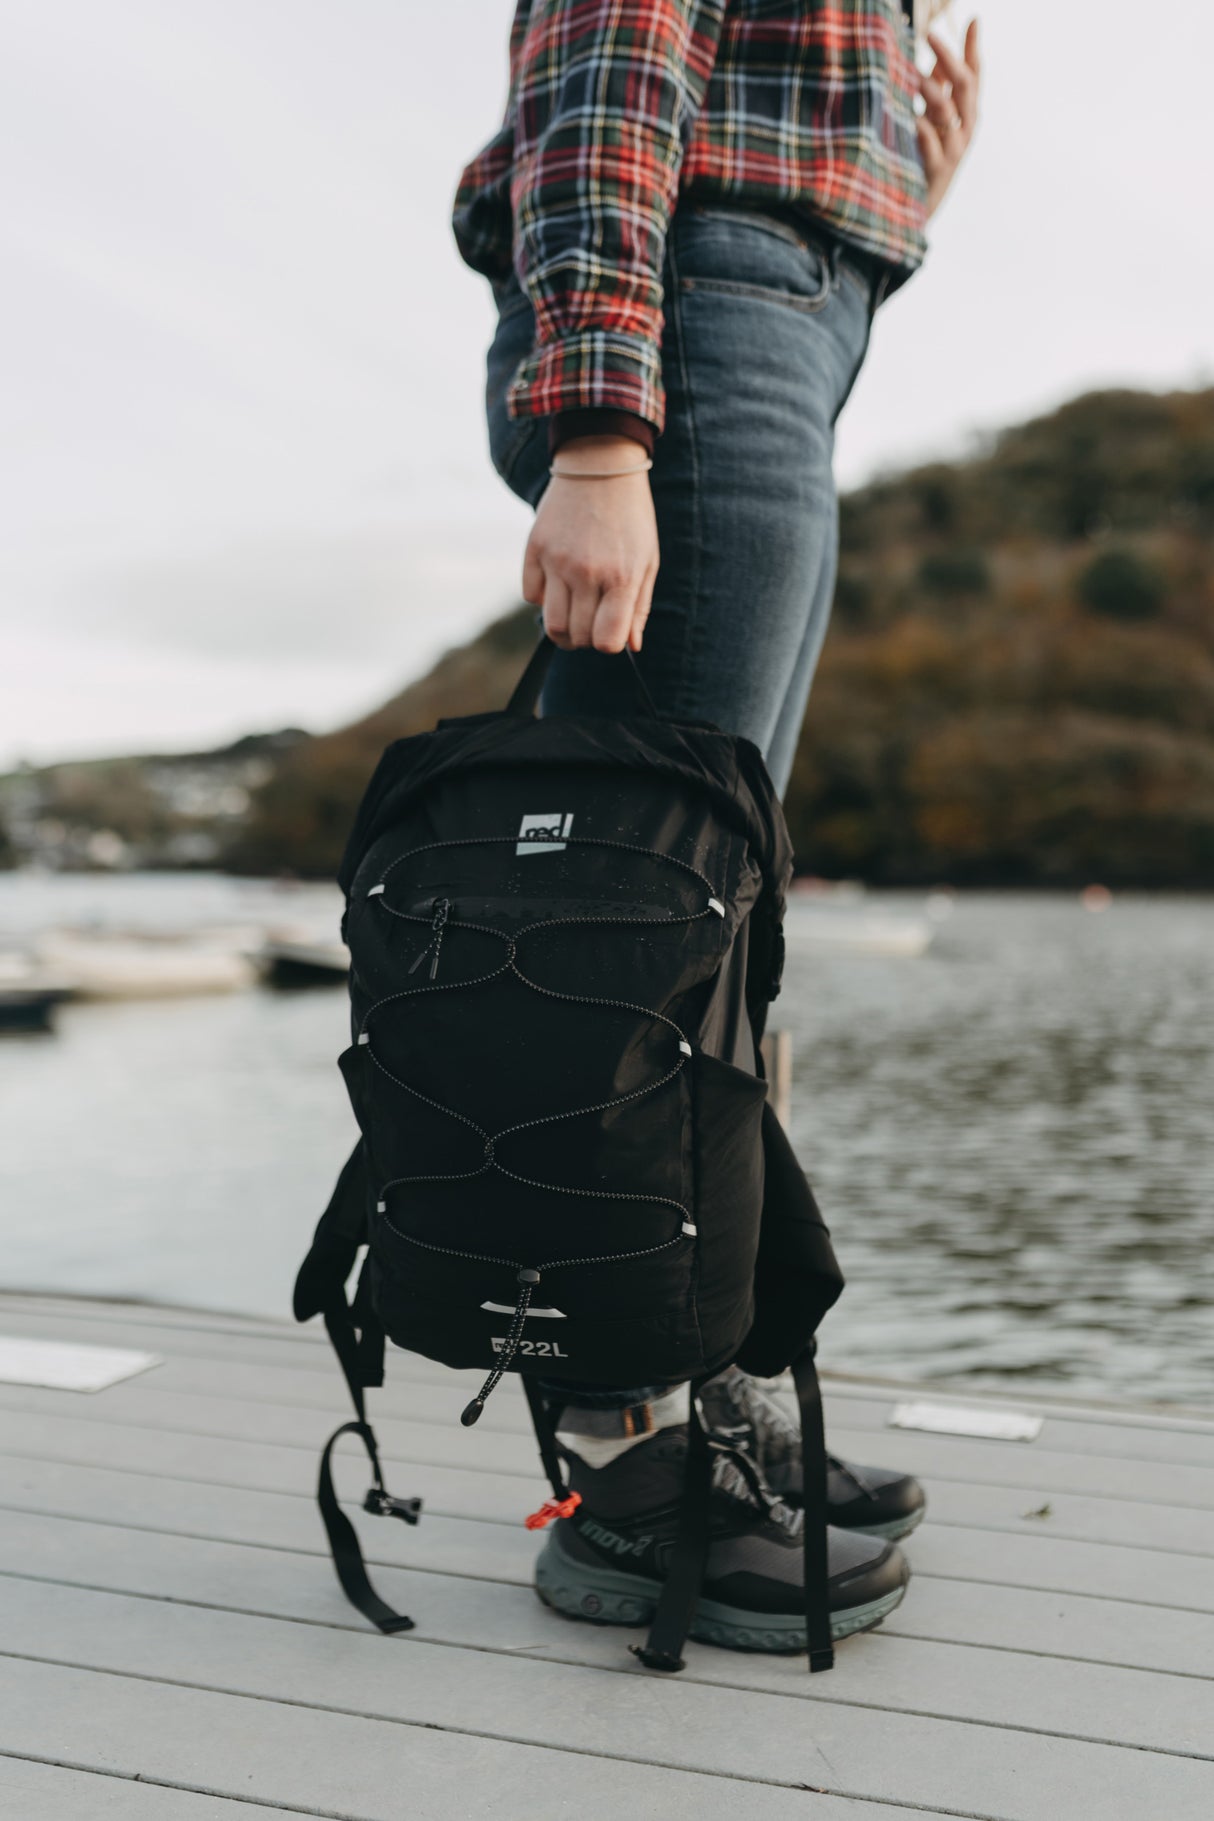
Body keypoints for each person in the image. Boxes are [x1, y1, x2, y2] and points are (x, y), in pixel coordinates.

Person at [451, 0, 982, 1654]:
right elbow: (606, 49)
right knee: (632, 932)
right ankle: (617, 1463)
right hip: (704, 298)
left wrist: (894, 169)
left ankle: (709, 1401)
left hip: (785, 301)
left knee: (718, 933)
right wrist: (601, 432)